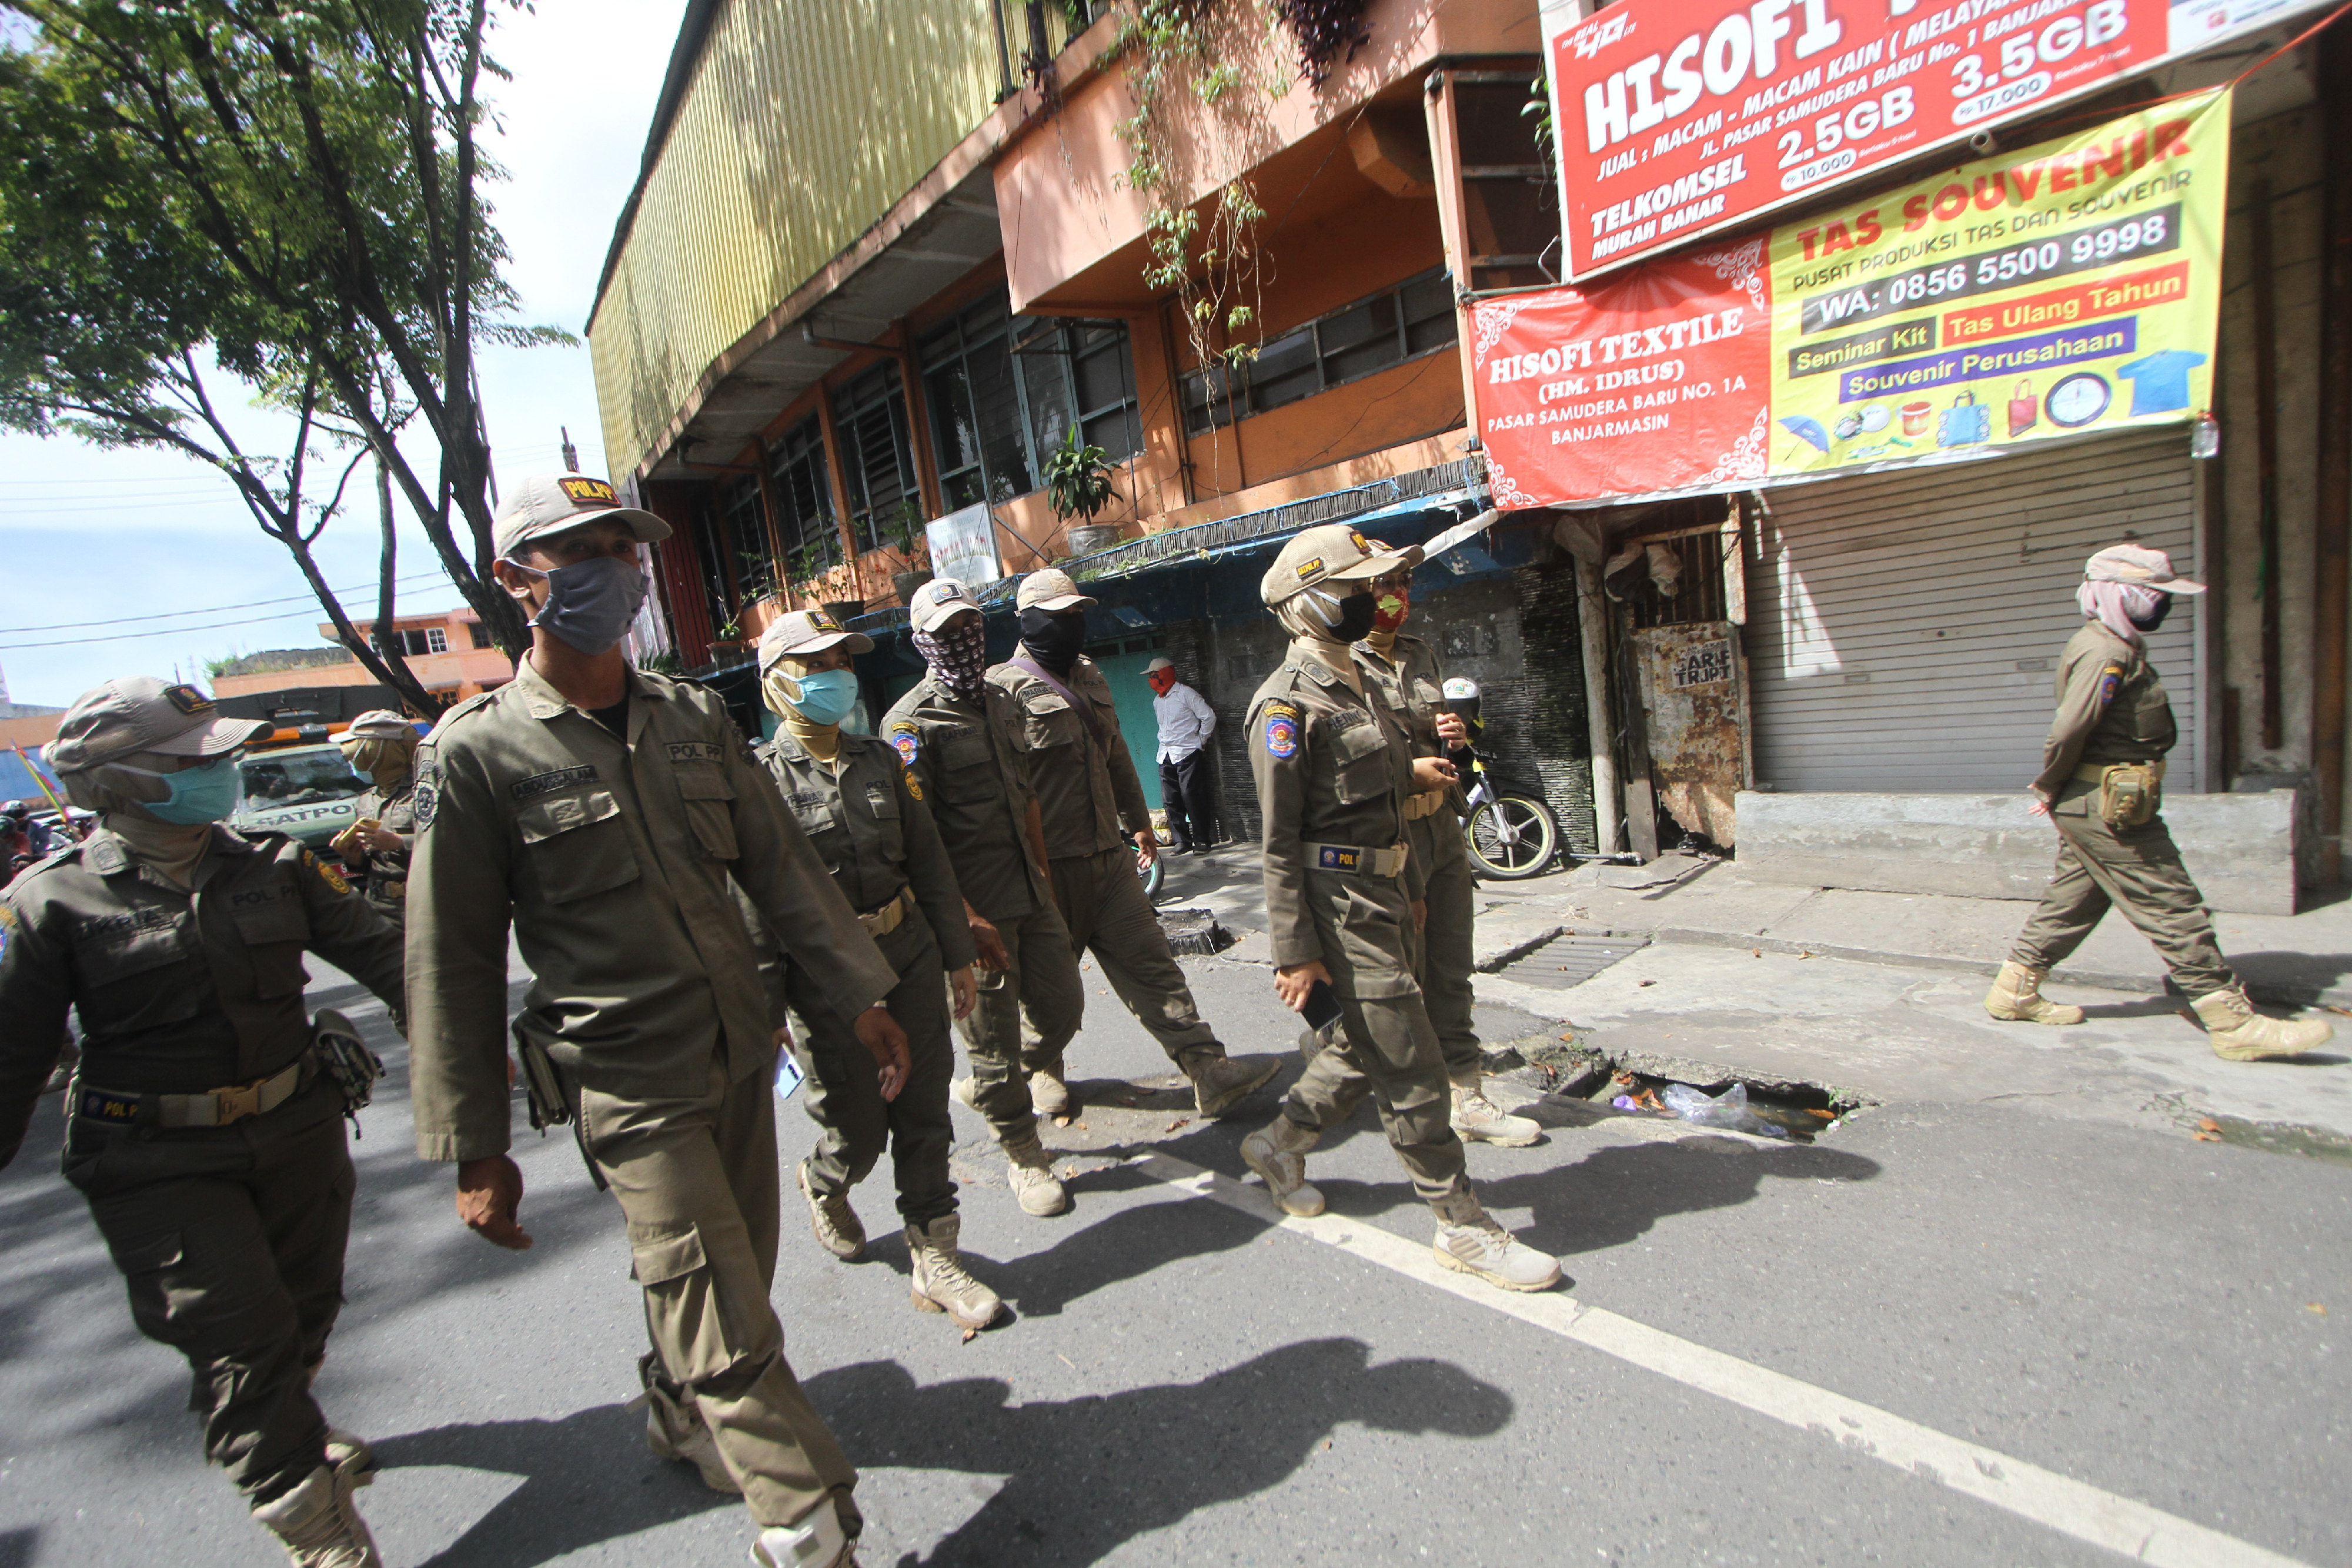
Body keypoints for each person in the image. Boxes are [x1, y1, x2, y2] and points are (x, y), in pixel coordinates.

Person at [405, 473, 906, 1568]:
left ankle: (679, 1414)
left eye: (623, 549)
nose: (615, 571)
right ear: (516, 579)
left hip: (742, 1051)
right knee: (728, 1324)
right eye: (578, 551)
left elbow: (782, 871)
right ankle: (814, 1532)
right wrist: (476, 1142)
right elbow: (450, 959)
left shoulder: (688, 716)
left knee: (733, 1285)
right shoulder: (476, 752)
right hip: (629, 1084)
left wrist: (861, 996)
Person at [0, 677, 406, 1566]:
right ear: (124, 779)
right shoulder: (51, 901)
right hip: (157, 1160)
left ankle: (288, 1419)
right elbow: (11, 1055)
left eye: (220, 754)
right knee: (240, 1333)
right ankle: (312, 1516)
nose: (220, 770)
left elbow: (392, 958)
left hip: (298, 1128)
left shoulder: (278, 864)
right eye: (194, 759)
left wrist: (468, 1060)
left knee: (304, 1309)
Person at [1237, 525, 1561, 1293]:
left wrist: (1411, 888)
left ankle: (1279, 1142)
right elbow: (1279, 843)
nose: (1367, 600)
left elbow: (1389, 801)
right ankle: (1460, 1220)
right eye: (1352, 589)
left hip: (1388, 889)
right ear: (1308, 602)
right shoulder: (1285, 705)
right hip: (1337, 903)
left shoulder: (1363, 681)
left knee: (1362, 1041)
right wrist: (1296, 951)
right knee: (1410, 1059)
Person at [752, 608, 1001, 1331]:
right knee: (858, 1129)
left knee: (923, 1111)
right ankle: (825, 1181)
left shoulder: (879, 762)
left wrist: (955, 955)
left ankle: (936, 1254)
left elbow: (927, 861)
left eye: (843, 662)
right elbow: (757, 908)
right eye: (816, 666)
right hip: (824, 982)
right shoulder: (758, 784)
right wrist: (769, 1013)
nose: (836, 677)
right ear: (777, 685)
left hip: (908, 955)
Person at [1986, 544, 2334, 1061]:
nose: (2162, 604)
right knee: (2171, 902)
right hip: (2108, 806)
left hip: (2102, 802)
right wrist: (2050, 785)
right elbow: (2069, 730)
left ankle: (2014, 992)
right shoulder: (2108, 653)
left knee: (2076, 899)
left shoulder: (2116, 647)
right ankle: (2230, 1020)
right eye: (2154, 594)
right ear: (2122, 595)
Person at [988, 569, 1276, 1122]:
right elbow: (1001, 792)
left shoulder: (1090, 675)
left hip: (1110, 859)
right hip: (1051, 868)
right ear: (1029, 621)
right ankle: (1039, 1068)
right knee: (1051, 993)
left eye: (1078, 613)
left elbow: (1114, 752)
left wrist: (1140, 820)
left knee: (1154, 966)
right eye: (1062, 616)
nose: (1075, 624)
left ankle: (1206, 1067)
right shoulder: (1001, 690)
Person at [883, 579, 1085, 1216]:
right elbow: (916, 842)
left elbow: (1025, 795)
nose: (963, 642)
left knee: (1062, 1009)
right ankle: (1024, 1154)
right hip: (970, 916)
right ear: (921, 642)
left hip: (1029, 893)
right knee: (991, 1044)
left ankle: (994, 1083)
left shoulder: (1001, 700)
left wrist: (1045, 877)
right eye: (946, 634)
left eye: (969, 627)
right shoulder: (909, 725)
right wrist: (963, 921)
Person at [1354, 557, 1540, 1147]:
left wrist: (1454, 743)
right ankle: (1388, 1086)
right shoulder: (1339, 665)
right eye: (1386, 586)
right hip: (1389, 839)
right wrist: (1403, 771)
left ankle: (1466, 1094)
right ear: (1360, 594)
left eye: (1404, 585)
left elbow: (1440, 742)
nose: (1398, 596)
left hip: (1441, 833)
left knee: (1452, 967)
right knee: (1398, 977)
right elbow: (1343, 768)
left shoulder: (1419, 652)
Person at [329, 710, 420, 928]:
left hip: (424, 904)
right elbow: (373, 863)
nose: (351, 757)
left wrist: (401, 842)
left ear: (378, 751)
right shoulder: (366, 800)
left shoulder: (427, 791)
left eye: (356, 747)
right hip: (380, 906)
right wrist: (353, 858)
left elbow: (455, 843)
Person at [1146, 656, 1218, 854]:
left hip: (1187, 752)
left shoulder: (1186, 694)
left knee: (1192, 796)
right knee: (1170, 798)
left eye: (1154, 675)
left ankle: (1202, 841)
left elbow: (1208, 717)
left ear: (1165, 674)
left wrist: (1201, 741)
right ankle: (1181, 841)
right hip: (1165, 754)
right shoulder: (1157, 701)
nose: (1151, 679)